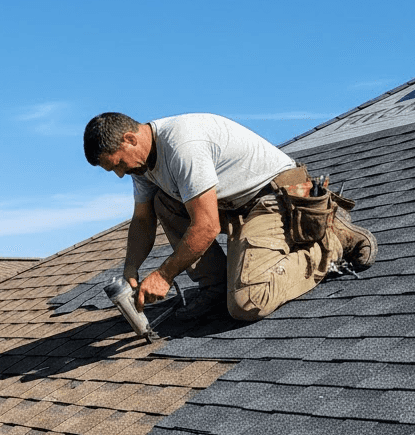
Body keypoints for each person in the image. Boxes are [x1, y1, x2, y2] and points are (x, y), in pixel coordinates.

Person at [83, 112, 377, 322]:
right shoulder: (143, 165)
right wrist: (131, 269)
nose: (121, 173)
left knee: (247, 302)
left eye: (118, 164)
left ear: (130, 138)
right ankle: (214, 287)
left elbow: (207, 225)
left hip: (276, 198)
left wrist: (163, 275)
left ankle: (331, 242)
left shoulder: (182, 146)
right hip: (236, 206)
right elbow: (143, 220)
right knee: (162, 202)